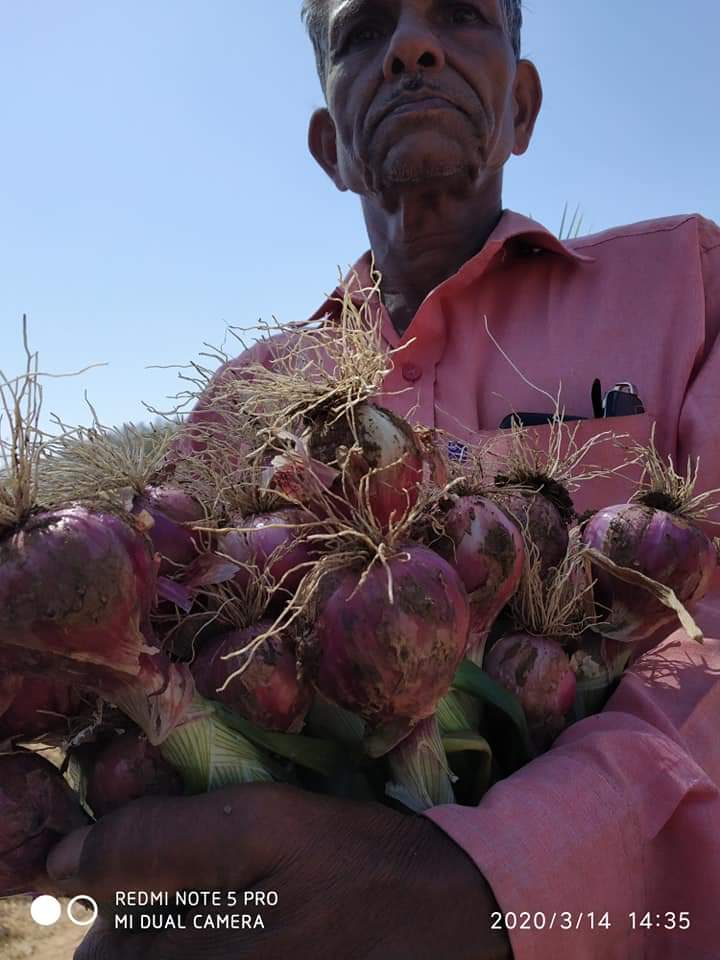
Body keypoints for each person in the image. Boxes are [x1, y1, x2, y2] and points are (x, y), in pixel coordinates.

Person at [47, 1, 720, 957]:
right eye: (363, 33)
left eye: (461, 16)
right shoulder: (242, 399)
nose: (413, 45)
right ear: (330, 147)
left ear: (522, 107)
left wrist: (488, 879)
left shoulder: (691, 290)